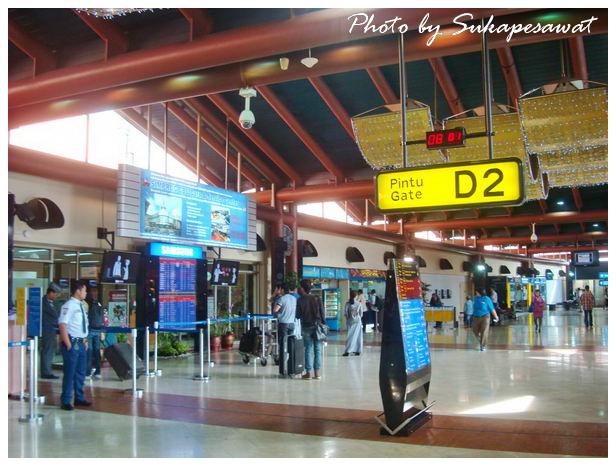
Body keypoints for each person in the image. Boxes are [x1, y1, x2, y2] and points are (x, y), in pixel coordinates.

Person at [58, 280, 91, 410]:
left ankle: (79, 397)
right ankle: (66, 400)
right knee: (70, 373)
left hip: (81, 343)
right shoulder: (68, 306)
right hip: (72, 343)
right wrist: (68, 344)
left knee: (80, 373)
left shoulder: (81, 306)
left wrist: (85, 340)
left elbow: (83, 325)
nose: (86, 293)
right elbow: (62, 325)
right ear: (78, 291)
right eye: (84, 290)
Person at [296, 280, 326, 379]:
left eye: (300, 287)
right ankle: (317, 373)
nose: (299, 288)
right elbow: (322, 313)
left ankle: (308, 373)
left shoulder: (300, 300)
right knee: (317, 349)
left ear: (303, 288)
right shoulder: (317, 298)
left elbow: (297, 315)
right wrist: (323, 324)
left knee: (308, 349)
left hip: (306, 326)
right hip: (317, 326)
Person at [272, 283, 297, 376]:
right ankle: (291, 368)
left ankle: (282, 369)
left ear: (282, 290)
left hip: (283, 324)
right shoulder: (294, 298)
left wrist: (279, 311)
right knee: (291, 345)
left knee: (282, 345)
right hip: (292, 324)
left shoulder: (282, 299)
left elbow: (275, 310)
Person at [40, 282, 62, 379]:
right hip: (46, 330)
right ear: (51, 293)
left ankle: (47, 370)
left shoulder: (54, 303)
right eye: (55, 294)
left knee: (50, 350)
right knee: (47, 350)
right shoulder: (42, 302)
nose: (56, 296)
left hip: (52, 330)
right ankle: (46, 372)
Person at [85, 287, 104, 379]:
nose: (94, 293)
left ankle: (95, 371)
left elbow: (102, 317)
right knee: (91, 351)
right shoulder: (89, 303)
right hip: (91, 330)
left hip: (95, 330)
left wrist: (102, 331)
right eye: (93, 292)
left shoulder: (97, 303)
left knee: (94, 351)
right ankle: (91, 371)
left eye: (95, 291)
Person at [343, 291, 362, 356]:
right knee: (358, 336)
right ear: (356, 296)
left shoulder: (347, 304)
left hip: (350, 321)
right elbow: (361, 314)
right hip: (358, 321)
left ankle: (348, 351)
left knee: (350, 336)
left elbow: (345, 313)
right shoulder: (359, 303)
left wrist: (348, 319)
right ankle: (358, 351)